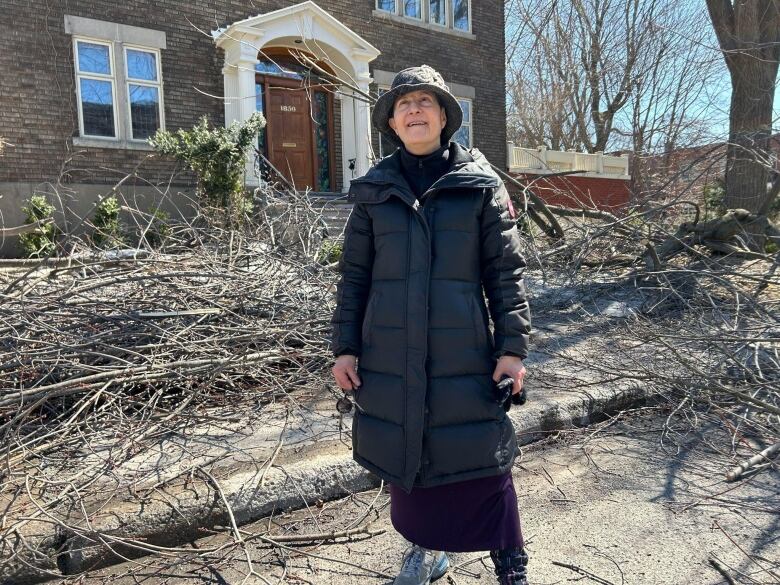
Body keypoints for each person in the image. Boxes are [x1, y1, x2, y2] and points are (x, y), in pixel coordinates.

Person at [330, 65, 532, 585]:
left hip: (463, 351)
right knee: (410, 456)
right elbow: (354, 278)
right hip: (390, 353)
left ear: (444, 116)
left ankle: (509, 559)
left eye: (425, 101)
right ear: (393, 123)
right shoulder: (374, 193)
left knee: (483, 458)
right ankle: (426, 547)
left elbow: (505, 273)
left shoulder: (481, 188)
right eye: (404, 104)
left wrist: (512, 347)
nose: (414, 110)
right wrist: (345, 347)